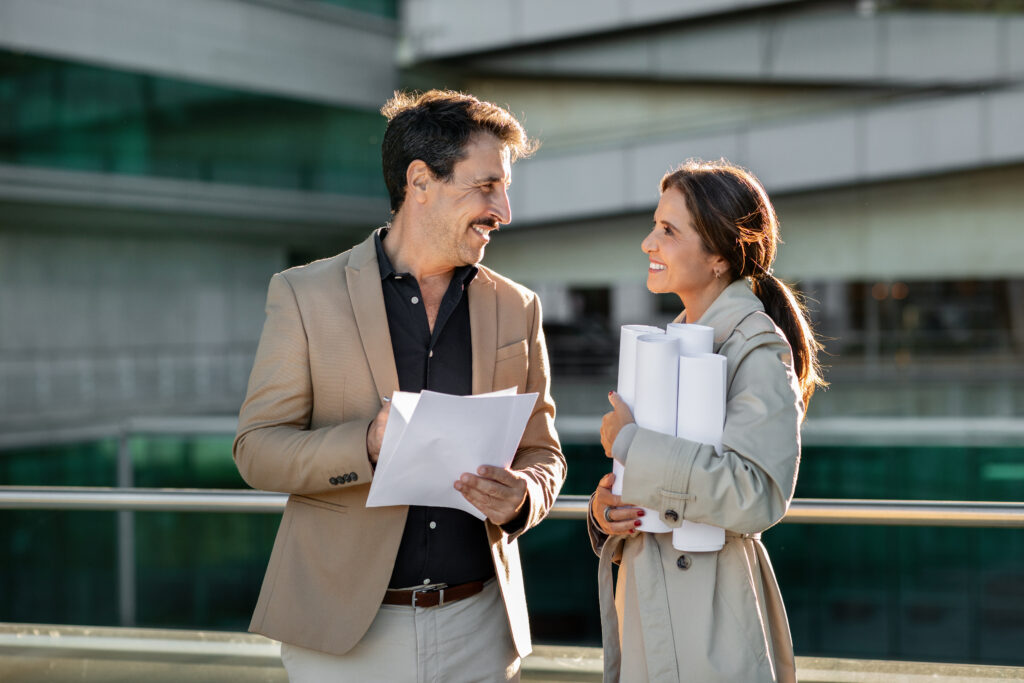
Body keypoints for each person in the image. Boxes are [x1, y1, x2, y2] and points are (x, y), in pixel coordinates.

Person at [233, 89, 565, 682]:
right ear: (420, 181)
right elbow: (256, 451)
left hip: (480, 628)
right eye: (486, 186)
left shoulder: (519, 307)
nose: (504, 210)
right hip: (345, 635)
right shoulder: (304, 295)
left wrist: (524, 497)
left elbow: (544, 453)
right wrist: (365, 444)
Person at [588, 159, 825, 682]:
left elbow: (757, 493)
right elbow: (666, 481)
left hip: (710, 616)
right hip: (652, 602)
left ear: (718, 255)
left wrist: (631, 442)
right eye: (654, 226)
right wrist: (609, 511)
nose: (649, 243)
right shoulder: (670, 341)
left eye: (669, 231)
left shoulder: (757, 346)